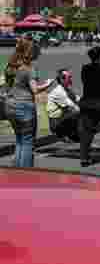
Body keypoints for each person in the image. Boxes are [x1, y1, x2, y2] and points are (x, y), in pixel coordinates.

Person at [3, 38, 54, 167]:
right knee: (27, 141)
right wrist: (48, 84)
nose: (39, 53)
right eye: (36, 51)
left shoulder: (10, 66)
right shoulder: (29, 68)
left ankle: (17, 171)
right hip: (24, 107)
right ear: (30, 53)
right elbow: (35, 90)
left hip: (10, 105)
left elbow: (7, 86)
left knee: (20, 139)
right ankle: (25, 173)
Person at [46, 69, 80, 143]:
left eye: (71, 77)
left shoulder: (68, 89)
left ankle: (73, 135)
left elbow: (79, 100)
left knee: (79, 112)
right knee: (76, 112)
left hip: (63, 117)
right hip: (56, 122)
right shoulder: (59, 91)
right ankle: (62, 134)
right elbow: (73, 107)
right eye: (69, 77)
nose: (71, 79)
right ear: (62, 80)